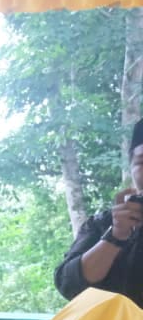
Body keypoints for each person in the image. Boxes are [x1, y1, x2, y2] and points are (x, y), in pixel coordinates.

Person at [55, 118, 143, 308]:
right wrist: (116, 237)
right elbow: (68, 285)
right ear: (131, 166)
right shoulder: (102, 224)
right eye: (142, 162)